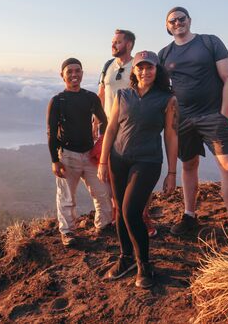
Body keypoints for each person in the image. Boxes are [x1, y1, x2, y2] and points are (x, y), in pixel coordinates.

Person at [158, 7, 228, 245]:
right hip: (182, 118)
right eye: (172, 21)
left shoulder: (209, 42)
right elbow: (161, 88)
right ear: (167, 26)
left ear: (189, 20)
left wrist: (224, 115)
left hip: (212, 115)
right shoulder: (164, 53)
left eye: (181, 19)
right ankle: (189, 215)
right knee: (189, 165)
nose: (177, 23)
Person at [98, 51, 178, 288]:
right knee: (119, 211)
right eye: (140, 67)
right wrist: (103, 161)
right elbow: (111, 129)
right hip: (118, 159)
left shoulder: (167, 99)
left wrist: (172, 173)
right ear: (134, 70)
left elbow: (172, 136)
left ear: (157, 70)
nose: (145, 72)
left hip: (148, 161)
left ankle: (144, 264)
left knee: (131, 211)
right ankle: (126, 258)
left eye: (149, 67)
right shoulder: (123, 95)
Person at [47, 58, 113, 247]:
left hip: (90, 154)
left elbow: (105, 122)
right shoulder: (57, 101)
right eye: (70, 72)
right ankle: (67, 232)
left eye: (78, 71)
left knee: (102, 192)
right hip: (67, 156)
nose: (74, 75)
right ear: (63, 75)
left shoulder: (90, 97)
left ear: (82, 73)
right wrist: (54, 160)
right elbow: (51, 132)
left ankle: (104, 225)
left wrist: (101, 144)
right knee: (67, 198)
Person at [97, 30, 157, 237]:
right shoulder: (108, 66)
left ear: (129, 44)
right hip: (110, 127)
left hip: (135, 129)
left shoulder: (139, 66)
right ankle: (120, 215)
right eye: (112, 41)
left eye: (118, 42)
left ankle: (143, 216)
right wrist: (96, 119)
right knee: (114, 176)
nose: (113, 45)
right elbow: (102, 94)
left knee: (139, 177)